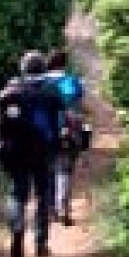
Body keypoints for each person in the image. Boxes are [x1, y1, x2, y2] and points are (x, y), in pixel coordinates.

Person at [0, 47, 62, 257]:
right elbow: (59, 121)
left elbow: (1, 127)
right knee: (43, 196)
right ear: (43, 68)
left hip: (16, 152)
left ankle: (17, 240)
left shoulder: (9, 92)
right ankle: (41, 244)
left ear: (23, 69)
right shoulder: (51, 91)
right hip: (43, 152)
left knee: (17, 195)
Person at [46, 44, 88, 226]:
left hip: (45, 132)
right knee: (64, 170)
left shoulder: (42, 82)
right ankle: (62, 207)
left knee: (47, 171)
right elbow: (79, 105)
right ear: (65, 63)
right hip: (69, 130)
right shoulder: (72, 81)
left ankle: (51, 209)